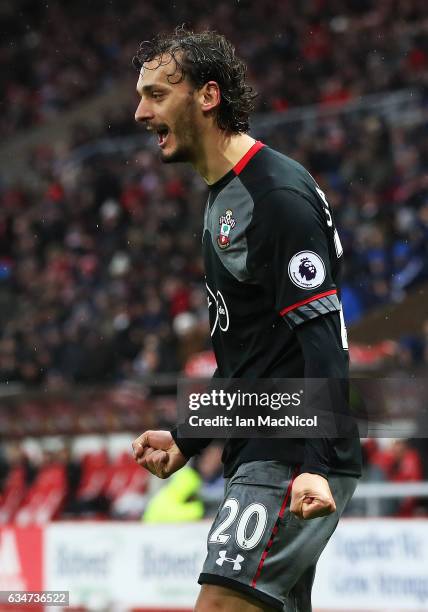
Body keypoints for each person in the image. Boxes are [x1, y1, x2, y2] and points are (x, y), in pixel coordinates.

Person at [131, 28, 361, 612]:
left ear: (207, 96)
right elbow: (250, 356)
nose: (140, 112)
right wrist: (188, 435)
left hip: (289, 454)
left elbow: (323, 342)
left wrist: (315, 466)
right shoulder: (226, 196)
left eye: (157, 94)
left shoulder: (275, 196)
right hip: (263, 447)